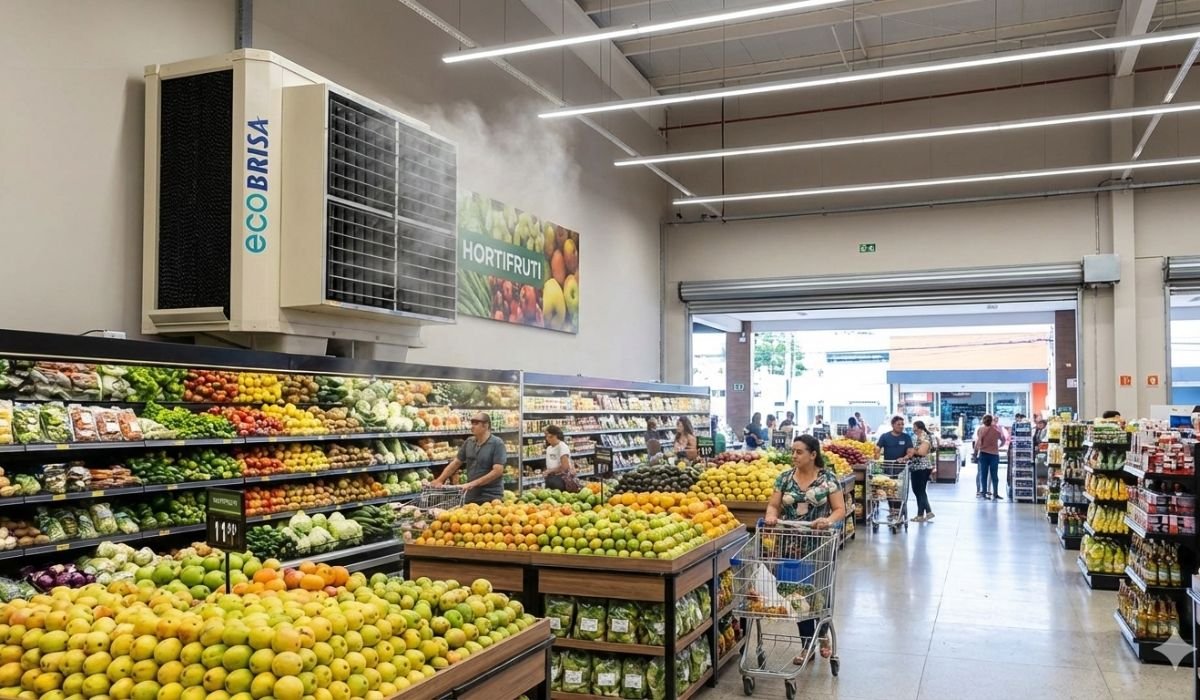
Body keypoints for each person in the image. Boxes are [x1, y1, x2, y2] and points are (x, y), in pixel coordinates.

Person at [764, 435, 846, 664]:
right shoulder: (784, 478)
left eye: (799, 452)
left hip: (820, 545)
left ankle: (823, 633)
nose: (794, 456)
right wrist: (771, 516)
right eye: (793, 451)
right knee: (797, 595)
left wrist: (828, 521)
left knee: (819, 592)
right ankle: (807, 645)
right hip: (791, 545)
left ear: (813, 454)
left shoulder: (828, 479)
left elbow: (840, 509)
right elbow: (773, 505)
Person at [431, 412, 506, 504]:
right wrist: (439, 480)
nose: (472, 426)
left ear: (486, 425)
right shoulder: (469, 442)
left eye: (476, 423)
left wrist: (472, 484)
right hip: (471, 494)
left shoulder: (497, 443)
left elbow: (497, 471)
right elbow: (456, 463)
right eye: (472, 423)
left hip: (491, 495)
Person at [973, 414, 1005, 500]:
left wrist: (975, 454)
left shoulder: (981, 429)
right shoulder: (996, 430)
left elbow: (978, 443)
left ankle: (984, 493)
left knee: (984, 475)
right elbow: (1003, 439)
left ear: (983, 421)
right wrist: (999, 446)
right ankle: (995, 493)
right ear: (991, 421)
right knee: (994, 475)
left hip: (984, 454)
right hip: (994, 455)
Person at [909, 421, 935, 522]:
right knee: (919, 490)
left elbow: (922, 452)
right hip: (916, 467)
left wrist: (912, 451)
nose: (913, 429)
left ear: (919, 428)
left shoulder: (925, 437)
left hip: (922, 467)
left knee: (919, 490)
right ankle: (926, 513)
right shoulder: (917, 437)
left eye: (914, 427)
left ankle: (923, 514)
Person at [542, 425, 579, 492]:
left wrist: (549, 471)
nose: (548, 438)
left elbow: (565, 467)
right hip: (550, 478)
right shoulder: (549, 448)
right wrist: (547, 472)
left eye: (550, 436)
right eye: (546, 436)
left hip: (561, 479)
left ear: (556, 436)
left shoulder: (562, 446)